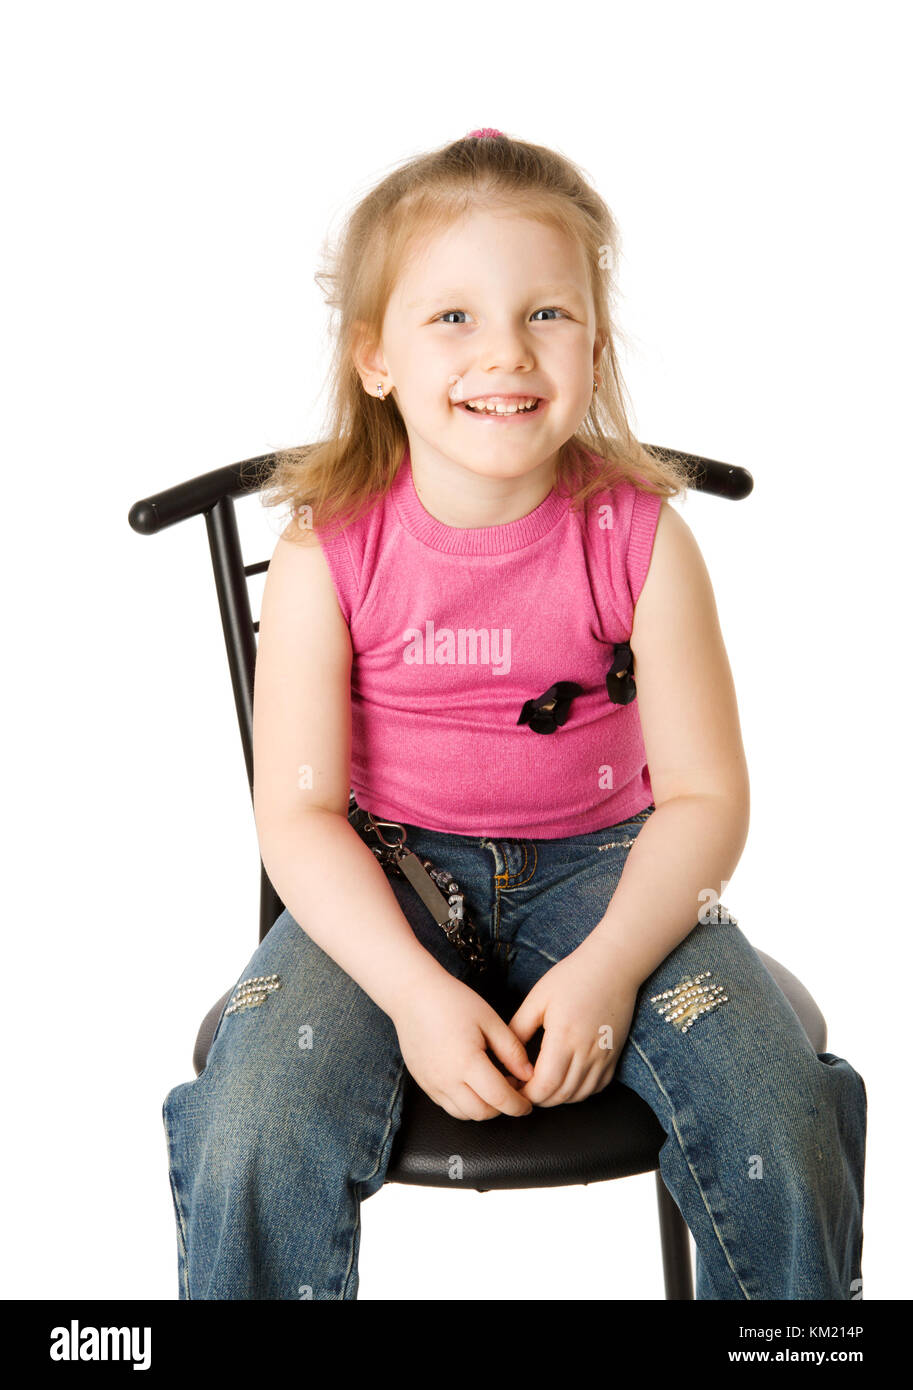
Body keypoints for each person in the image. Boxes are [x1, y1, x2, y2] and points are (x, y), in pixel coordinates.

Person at [161, 128, 867, 1300]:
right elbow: (297, 819)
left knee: (777, 1112)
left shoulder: (640, 537)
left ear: (593, 343)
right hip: (383, 878)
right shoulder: (323, 550)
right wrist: (416, 993)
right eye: (452, 318)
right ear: (374, 356)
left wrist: (606, 969)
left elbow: (705, 797)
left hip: (615, 874)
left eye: (547, 313)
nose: (506, 351)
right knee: (253, 1124)